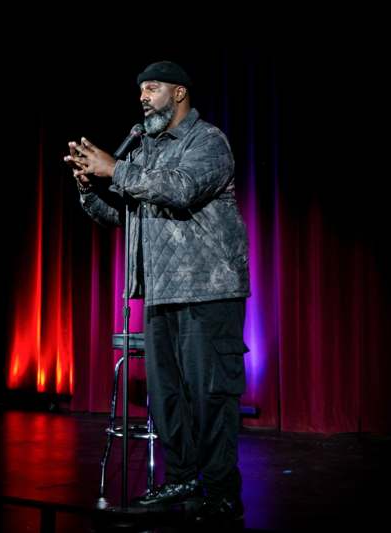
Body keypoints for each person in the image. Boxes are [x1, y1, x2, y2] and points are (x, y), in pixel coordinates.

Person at [64, 60, 250, 524]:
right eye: (141, 90)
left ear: (180, 93)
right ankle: (183, 477)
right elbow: (126, 218)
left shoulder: (207, 141)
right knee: (167, 397)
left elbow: (183, 189)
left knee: (211, 394)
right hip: (162, 291)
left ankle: (222, 491)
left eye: (153, 88)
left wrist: (117, 168)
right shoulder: (144, 150)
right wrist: (90, 188)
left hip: (210, 289)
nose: (144, 97)